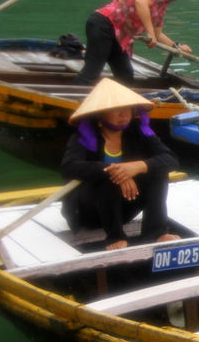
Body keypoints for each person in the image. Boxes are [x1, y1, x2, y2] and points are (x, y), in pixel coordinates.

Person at [61, 78, 180, 250]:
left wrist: (136, 167)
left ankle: (155, 233)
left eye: (127, 109)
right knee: (107, 177)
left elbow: (171, 159)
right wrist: (114, 171)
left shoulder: (138, 131)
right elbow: (69, 167)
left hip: (124, 208)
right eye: (116, 110)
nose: (123, 115)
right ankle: (115, 236)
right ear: (101, 113)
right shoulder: (83, 136)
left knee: (158, 171)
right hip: (90, 212)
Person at [74, 0, 198, 85]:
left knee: (125, 76)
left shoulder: (162, 4)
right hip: (104, 24)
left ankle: (122, 102)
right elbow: (140, 2)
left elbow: (157, 34)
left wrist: (177, 47)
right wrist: (150, 33)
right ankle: (77, 98)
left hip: (118, 35)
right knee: (92, 70)